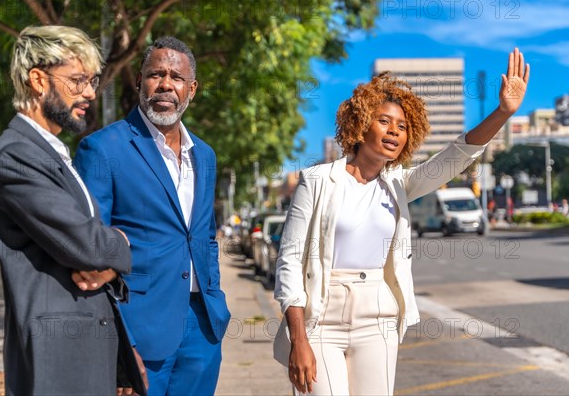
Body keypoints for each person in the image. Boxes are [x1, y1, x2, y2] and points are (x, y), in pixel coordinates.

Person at [273, 48, 529, 395]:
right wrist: (298, 339)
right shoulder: (317, 180)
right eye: (384, 121)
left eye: (403, 126)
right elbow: (288, 261)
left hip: (378, 312)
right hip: (322, 315)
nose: (394, 131)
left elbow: (455, 156)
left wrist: (502, 112)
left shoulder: (399, 184)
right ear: (361, 125)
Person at [0, 25, 144, 395]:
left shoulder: (48, 151)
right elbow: (86, 245)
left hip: (83, 353)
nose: (89, 92)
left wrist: (108, 268)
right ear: (38, 80)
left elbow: (91, 254)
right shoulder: (14, 156)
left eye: (92, 81)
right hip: (57, 361)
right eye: (77, 80)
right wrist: (121, 241)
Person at [74, 36, 231, 395]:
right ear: (138, 82)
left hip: (202, 325)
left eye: (176, 77)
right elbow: (90, 246)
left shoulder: (204, 155)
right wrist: (115, 349)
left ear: (192, 88)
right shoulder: (102, 148)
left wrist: (214, 296)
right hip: (139, 330)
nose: (165, 84)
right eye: (155, 74)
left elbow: (204, 235)